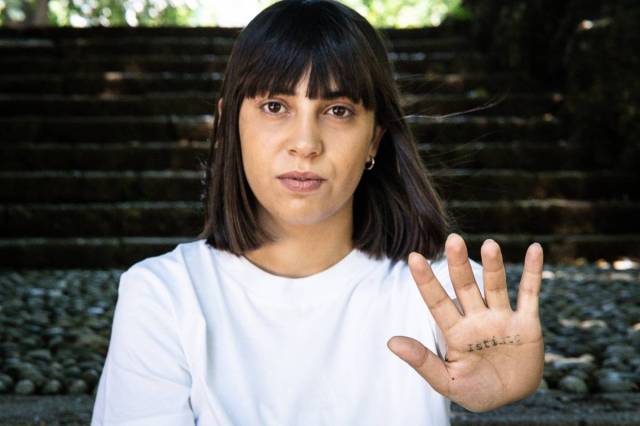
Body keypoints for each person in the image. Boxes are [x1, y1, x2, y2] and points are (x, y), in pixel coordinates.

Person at [90, 0, 544, 424]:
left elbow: (485, 355)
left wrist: (501, 382)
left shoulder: (438, 294)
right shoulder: (164, 295)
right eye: (275, 106)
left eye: (338, 110)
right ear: (229, 123)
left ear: (374, 139)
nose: (305, 143)